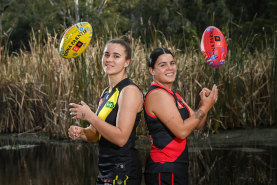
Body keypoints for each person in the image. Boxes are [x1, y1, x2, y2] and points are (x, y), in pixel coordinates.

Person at [68, 36, 143, 185]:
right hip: (105, 170)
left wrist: (90, 116)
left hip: (123, 171)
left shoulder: (129, 91)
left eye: (116, 56)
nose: (109, 59)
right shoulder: (106, 92)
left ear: (127, 62)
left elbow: (121, 138)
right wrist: (81, 132)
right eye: (106, 54)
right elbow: (95, 134)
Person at [143, 48, 218, 185]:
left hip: (176, 167)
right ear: (152, 71)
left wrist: (204, 103)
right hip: (164, 169)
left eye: (172, 63)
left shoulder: (174, 96)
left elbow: (198, 124)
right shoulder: (157, 95)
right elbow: (182, 131)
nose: (169, 68)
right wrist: (205, 107)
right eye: (162, 65)